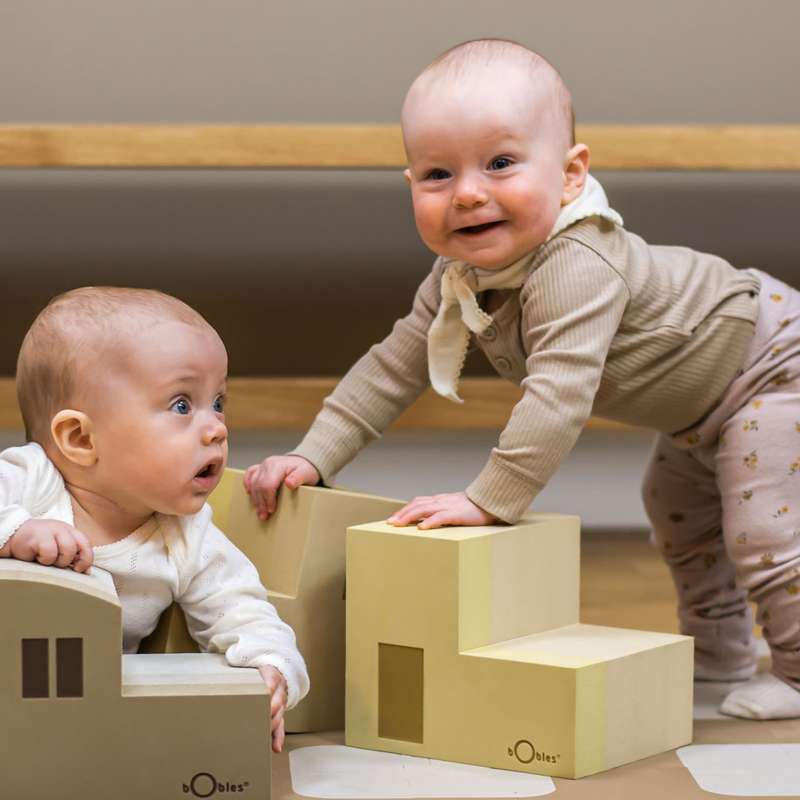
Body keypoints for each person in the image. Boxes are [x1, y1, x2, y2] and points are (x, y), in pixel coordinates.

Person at [244, 38, 800, 720]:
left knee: (762, 529)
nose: (470, 193)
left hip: (770, 365)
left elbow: (559, 395)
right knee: (677, 515)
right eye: (437, 175)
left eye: (501, 163)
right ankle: (720, 658)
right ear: (410, 184)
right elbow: (394, 365)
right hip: (695, 409)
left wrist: (491, 497)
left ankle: (799, 673)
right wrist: (312, 453)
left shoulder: (577, 262)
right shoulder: (463, 278)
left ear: (570, 175)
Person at [0, 287, 309, 751]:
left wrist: (272, 669)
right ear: (80, 438)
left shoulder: (186, 536)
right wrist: (15, 531)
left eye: (218, 402)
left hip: (76, 716)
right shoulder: (32, 480)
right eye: (182, 405)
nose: (217, 428)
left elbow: (243, 610)